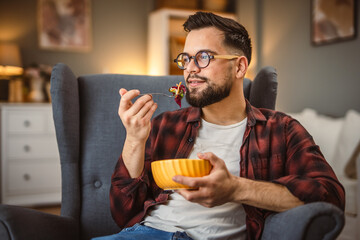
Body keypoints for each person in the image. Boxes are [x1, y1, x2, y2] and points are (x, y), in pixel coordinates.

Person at [95, 12, 345, 240]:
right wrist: (134, 139)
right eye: (186, 58)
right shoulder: (165, 125)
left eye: (204, 57)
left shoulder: (280, 129)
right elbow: (122, 213)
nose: (190, 68)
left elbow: (330, 197)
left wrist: (236, 188)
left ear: (239, 66)